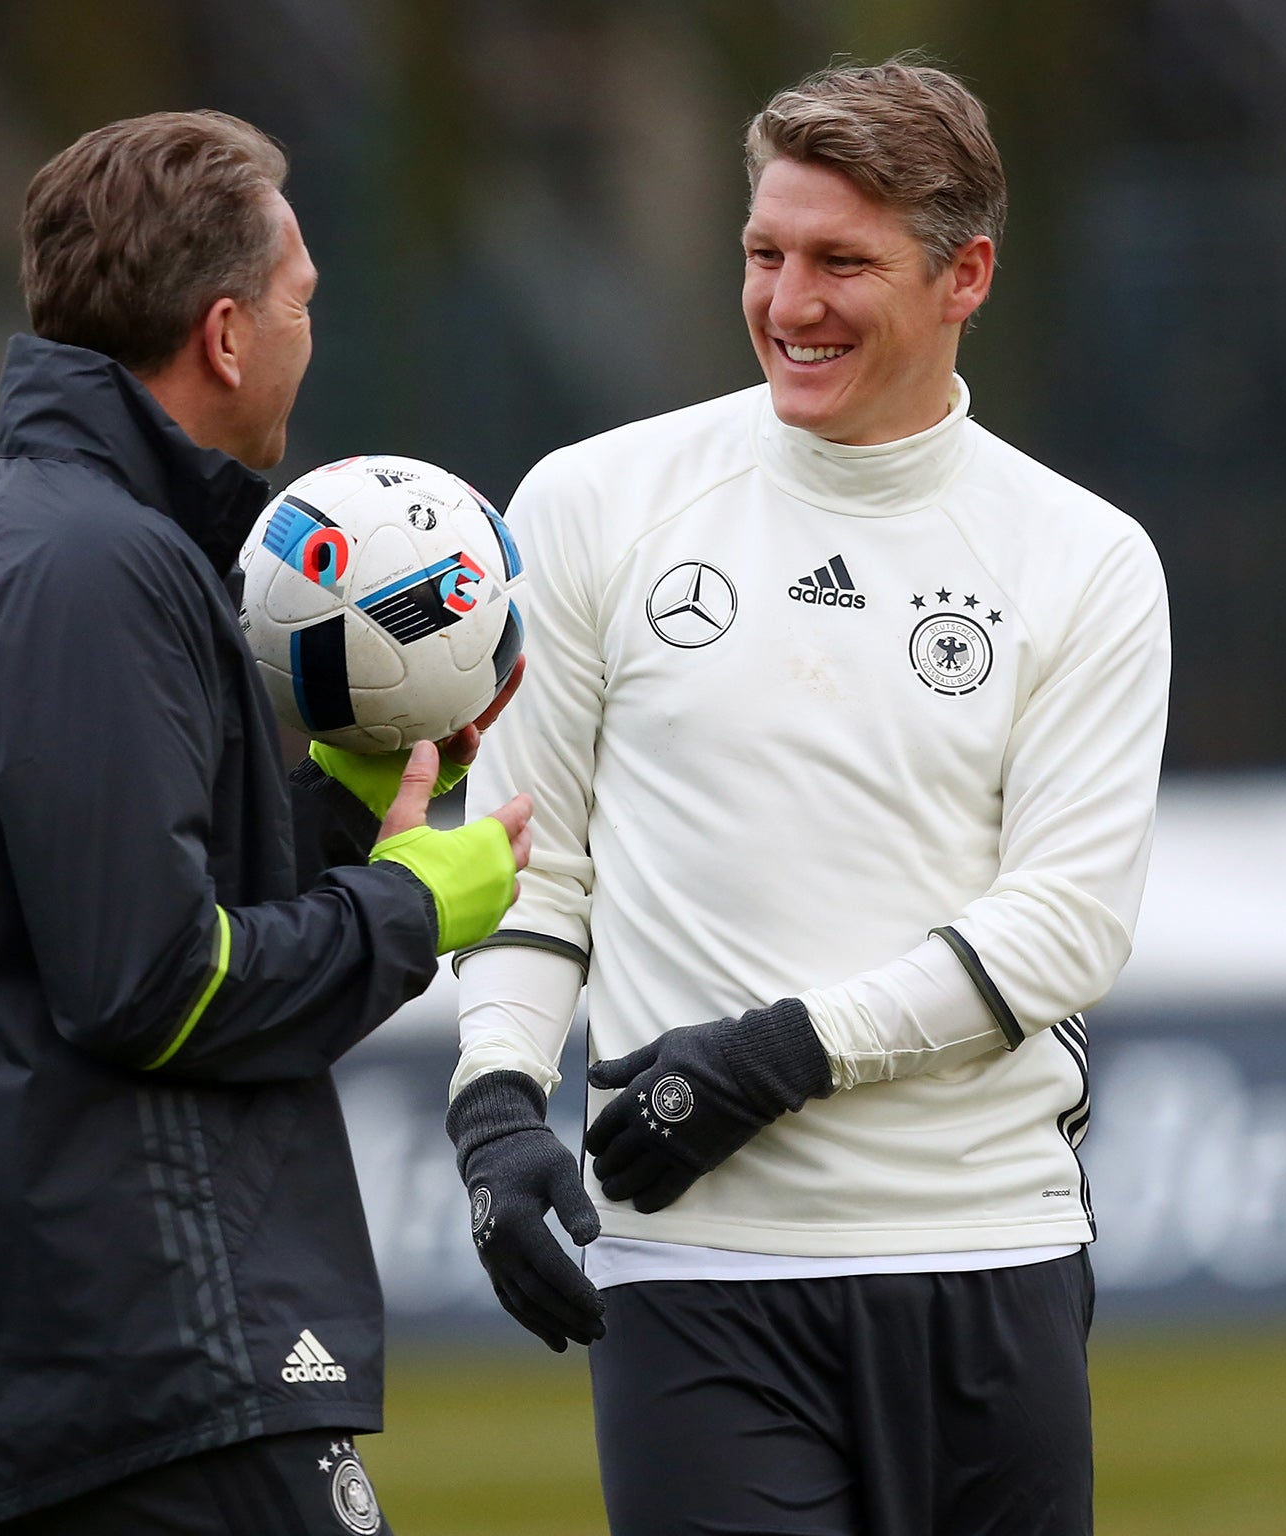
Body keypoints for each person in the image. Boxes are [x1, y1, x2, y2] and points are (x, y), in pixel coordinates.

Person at [444, 56, 1170, 1535]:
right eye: (765, 254)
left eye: (844, 261)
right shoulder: (591, 503)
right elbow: (533, 863)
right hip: (699, 1279)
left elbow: (1063, 925)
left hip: (987, 1247)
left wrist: (777, 1055)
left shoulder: (1084, 556)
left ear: (965, 273)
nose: (790, 303)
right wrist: (496, 1104)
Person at [0, 110, 529, 1536]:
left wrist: (347, 810)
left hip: (69, 1356)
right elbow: (154, 986)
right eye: (300, 302)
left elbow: (84, 931)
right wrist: (421, 907)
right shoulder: (92, 573)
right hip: (163, 1362)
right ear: (226, 336)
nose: (309, 332)